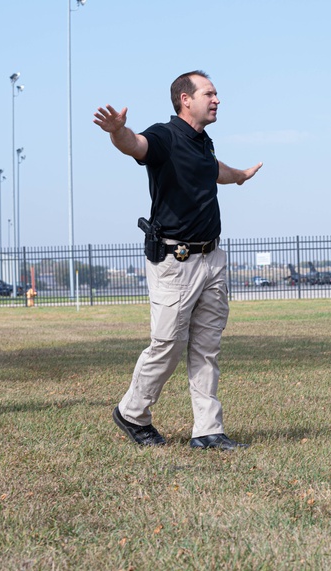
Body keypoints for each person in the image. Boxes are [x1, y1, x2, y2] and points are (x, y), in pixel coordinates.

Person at [95, 71, 262, 450]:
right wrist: (116, 131)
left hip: (212, 257)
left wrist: (238, 176)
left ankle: (207, 430)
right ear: (185, 99)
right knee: (167, 345)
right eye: (210, 93)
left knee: (206, 347)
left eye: (217, 93)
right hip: (176, 261)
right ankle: (132, 412)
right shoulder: (164, 136)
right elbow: (135, 145)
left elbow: (212, 170)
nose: (217, 99)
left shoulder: (203, 142)